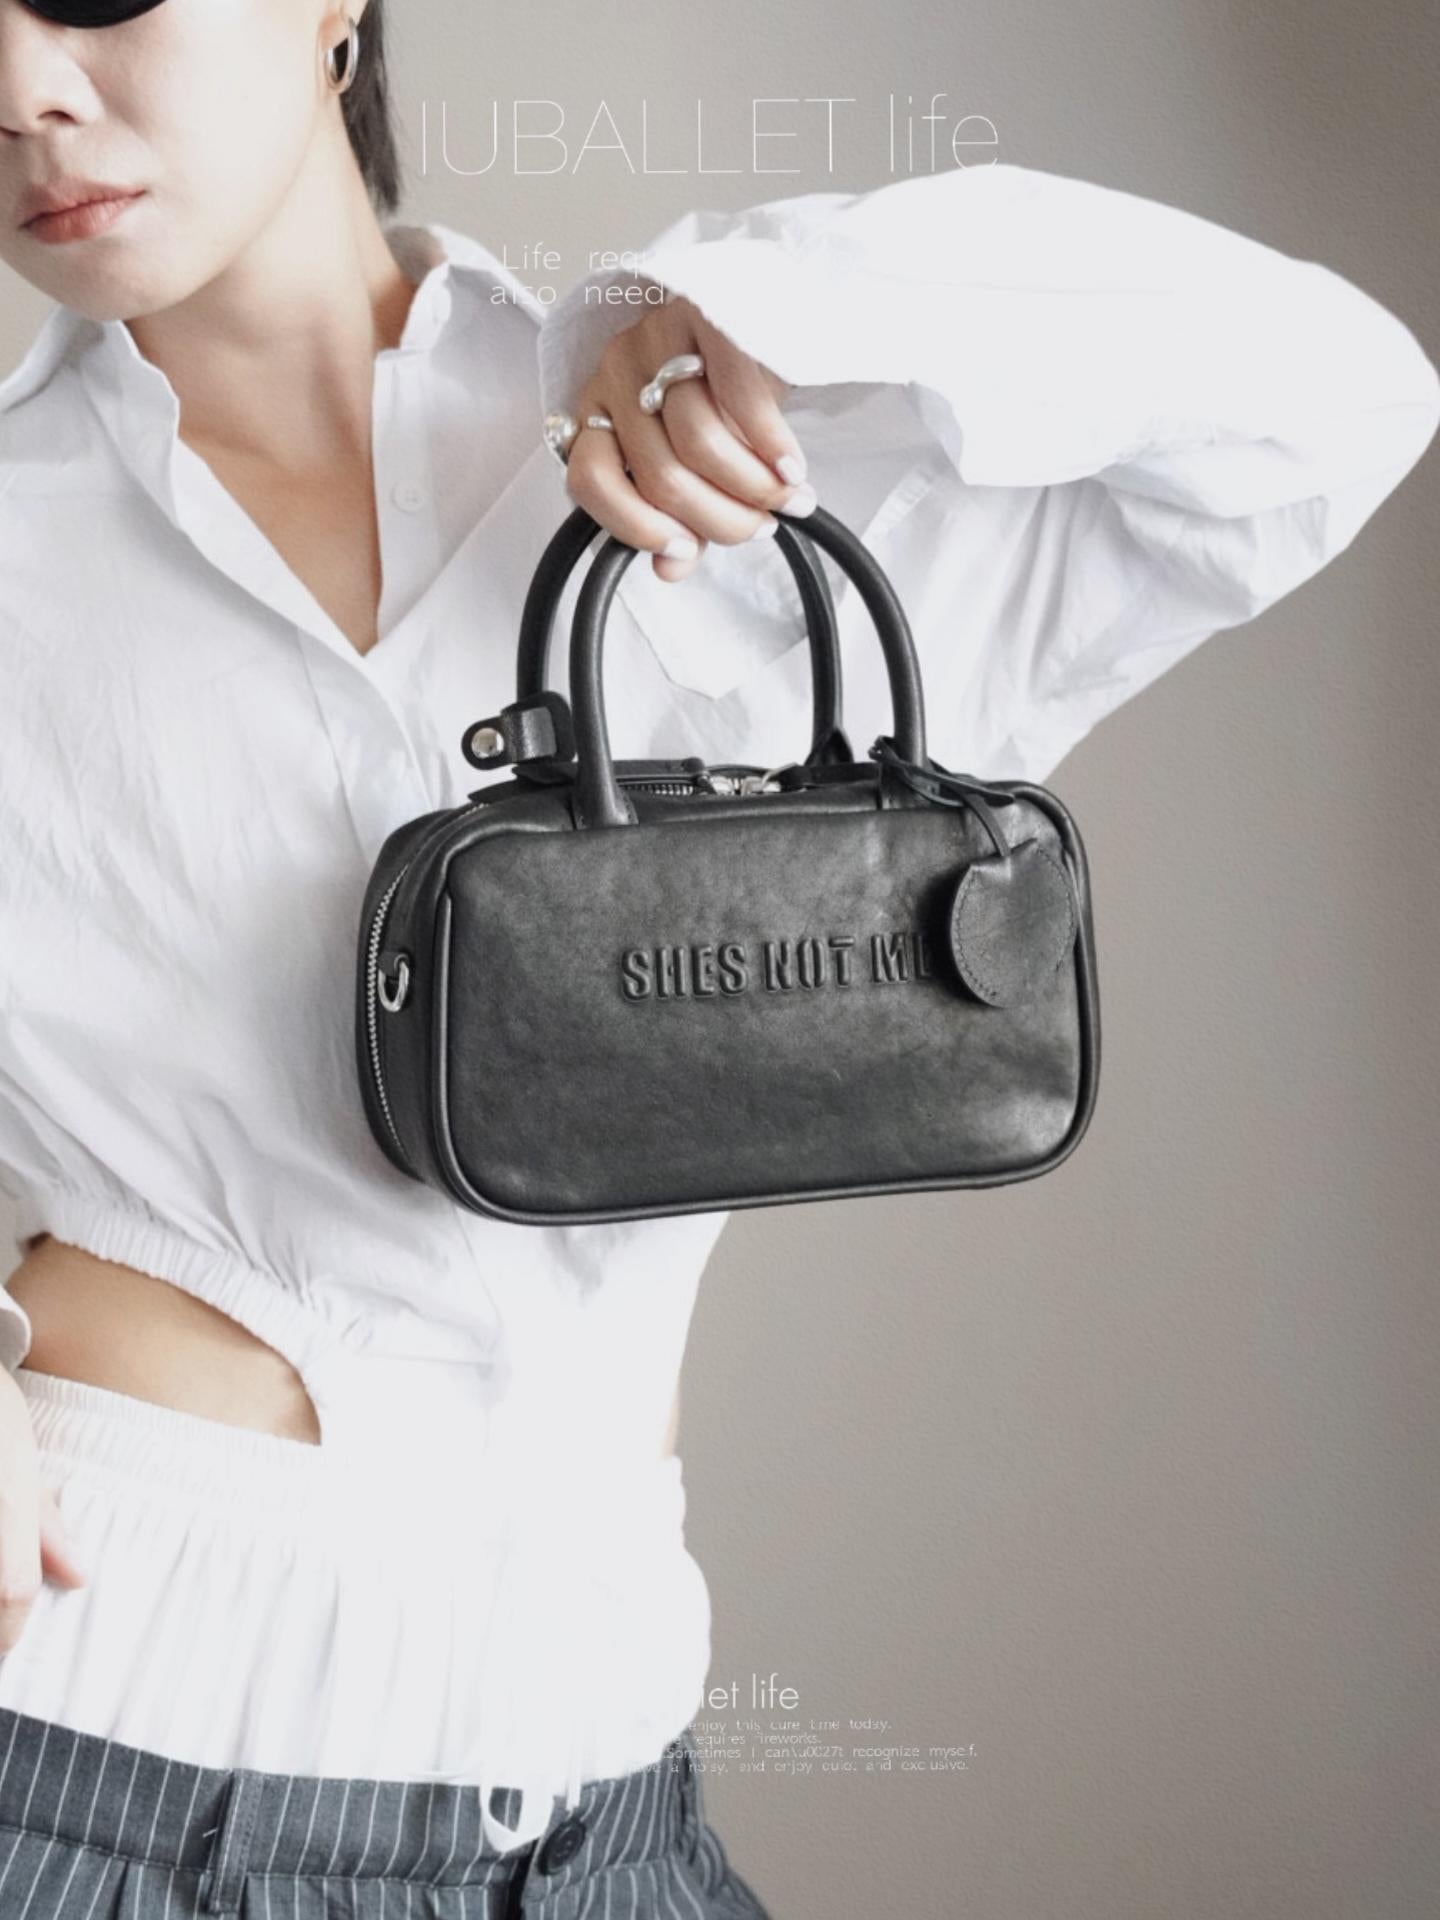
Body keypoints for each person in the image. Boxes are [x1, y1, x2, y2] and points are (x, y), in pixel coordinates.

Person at [0, 1, 1434, 1915]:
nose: (23, 89)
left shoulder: (766, 448)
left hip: (606, 1828)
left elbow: (1335, 398)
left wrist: (766, 307)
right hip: (86, 1779)